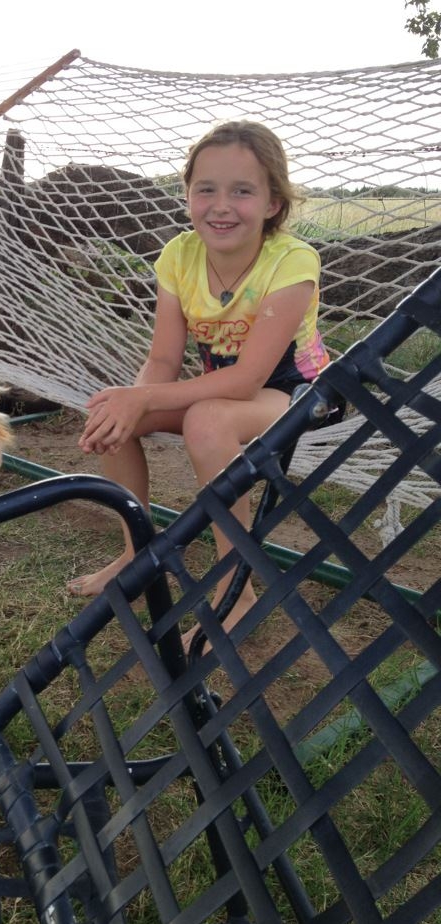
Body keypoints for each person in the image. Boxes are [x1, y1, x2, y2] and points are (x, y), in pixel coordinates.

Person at [66, 120, 329, 648]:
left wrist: (142, 397)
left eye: (242, 191)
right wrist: (132, 404)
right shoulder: (179, 256)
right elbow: (163, 358)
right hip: (226, 385)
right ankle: (135, 553)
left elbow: (251, 376)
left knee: (205, 421)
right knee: (118, 410)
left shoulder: (292, 261)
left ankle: (238, 593)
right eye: (205, 189)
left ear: (273, 203)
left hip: (299, 392)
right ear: (188, 194)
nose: (221, 205)